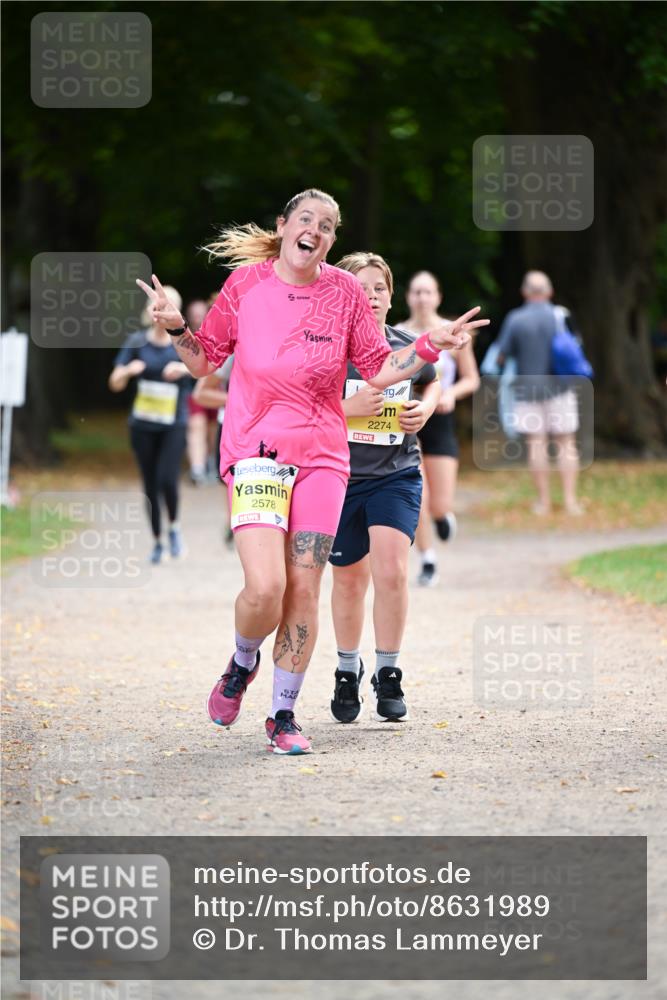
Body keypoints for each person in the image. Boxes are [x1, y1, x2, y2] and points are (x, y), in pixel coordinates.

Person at [137, 188, 488, 756]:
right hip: (256, 451)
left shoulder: (345, 292)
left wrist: (427, 345)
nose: (316, 230)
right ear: (283, 226)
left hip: (324, 457)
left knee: (304, 586)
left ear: (330, 240)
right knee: (265, 587)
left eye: (327, 225)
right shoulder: (246, 286)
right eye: (307, 219)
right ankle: (242, 660)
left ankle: (282, 714)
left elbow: (378, 368)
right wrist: (179, 327)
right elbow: (205, 361)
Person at [328, 253, 441, 724]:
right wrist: (345, 408)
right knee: (350, 580)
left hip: (396, 474)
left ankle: (388, 673)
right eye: (361, 287)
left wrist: (427, 407)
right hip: (337, 477)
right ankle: (346, 671)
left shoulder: (404, 347)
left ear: (391, 297)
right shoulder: (327, 349)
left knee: (391, 571)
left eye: (379, 288)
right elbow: (299, 406)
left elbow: (431, 381)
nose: (371, 296)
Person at [396, 271, 480, 586]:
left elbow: (471, 379)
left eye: (427, 292)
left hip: (441, 418)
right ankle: (428, 559)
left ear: (438, 297)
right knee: (418, 493)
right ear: (408, 297)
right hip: (408, 418)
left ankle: (443, 516)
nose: (421, 298)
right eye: (416, 292)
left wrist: (449, 394)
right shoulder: (398, 334)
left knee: (439, 502)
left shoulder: (453, 334)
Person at [108, 286, 193, 564]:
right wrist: (127, 371)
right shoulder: (136, 342)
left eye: (167, 306)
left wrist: (182, 368)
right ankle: (157, 541)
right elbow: (115, 383)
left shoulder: (182, 342)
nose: (160, 312)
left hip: (174, 423)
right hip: (142, 425)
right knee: (150, 483)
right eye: (156, 307)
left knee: (168, 479)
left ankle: (175, 528)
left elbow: (203, 371)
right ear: (149, 310)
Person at [496, 270, 582, 515]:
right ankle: (570, 502)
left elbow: (502, 354)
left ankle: (543, 503)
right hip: (561, 387)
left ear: (524, 292)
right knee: (566, 443)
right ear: (549, 292)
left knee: (537, 444)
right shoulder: (561, 315)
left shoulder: (515, 319)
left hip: (527, 390)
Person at [185, 299, 220, 485]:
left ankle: (213, 464)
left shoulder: (218, 335)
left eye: (201, 313)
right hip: (193, 391)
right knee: (197, 426)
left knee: (214, 431)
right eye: (194, 313)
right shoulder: (184, 337)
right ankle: (197, 469)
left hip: (216, 391)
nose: (198, 317)